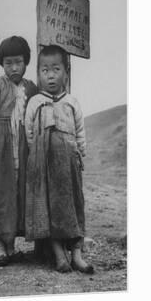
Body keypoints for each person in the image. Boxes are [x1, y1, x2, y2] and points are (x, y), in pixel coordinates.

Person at [25, 45, 93, 274]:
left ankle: (77, 254)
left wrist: (80, 153)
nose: (51, 75)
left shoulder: (72, 102)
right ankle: (59, 255)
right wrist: (36, 156)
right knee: (49, 207)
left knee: (73, 205)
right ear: (38, 73)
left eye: (56, 69)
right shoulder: (35, 102)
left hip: (69, 162)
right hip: (44, 164)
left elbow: (80, 131)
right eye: (45, 70)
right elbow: (29, 132)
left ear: (66, 72)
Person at [0, 36, 37, 266]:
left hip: (23, 150)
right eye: (8, 63)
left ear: (26, 62)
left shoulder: (31, 88)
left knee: (18, 195)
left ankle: (11, 246)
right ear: (2, 64)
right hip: (2, 150)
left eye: (18, 62)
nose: (14, 68)